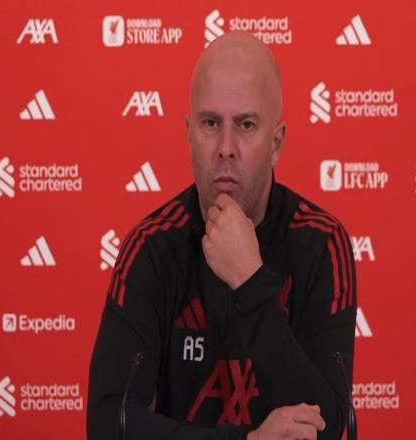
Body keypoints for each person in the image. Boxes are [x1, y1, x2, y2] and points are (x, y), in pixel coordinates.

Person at [87, 31, 357, 440]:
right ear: (189, 135)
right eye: (211, 123)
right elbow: (109, 424)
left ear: (277, 143)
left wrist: (250, 281)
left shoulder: (321, 244)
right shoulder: (150, 249)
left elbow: (331, 428)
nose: (226, 147)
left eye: (246, 125)